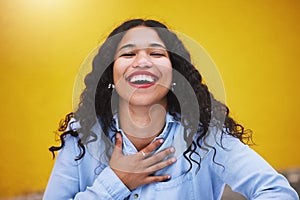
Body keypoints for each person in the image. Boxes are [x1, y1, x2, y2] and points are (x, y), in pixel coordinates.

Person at [43, 19, 299, 200]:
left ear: (175, 73)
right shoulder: (81, 135)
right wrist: (117, 181)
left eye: (156, 53)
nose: (142, 61)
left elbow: (277, 191)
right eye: (128, 54)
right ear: (110, 73)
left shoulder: (205, 135)